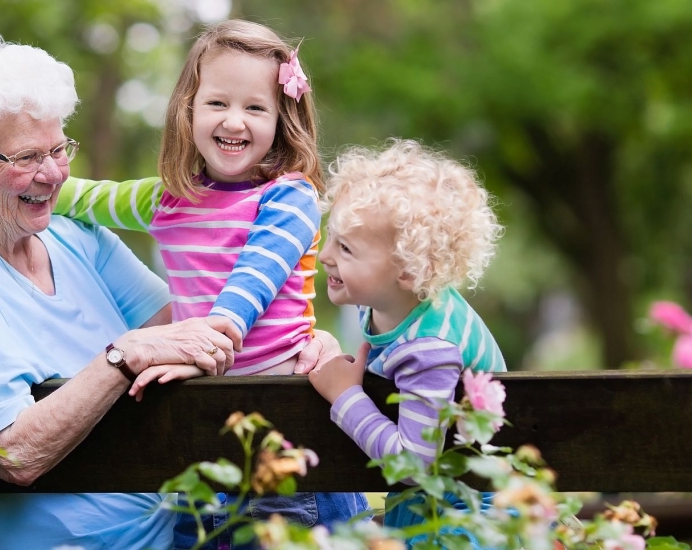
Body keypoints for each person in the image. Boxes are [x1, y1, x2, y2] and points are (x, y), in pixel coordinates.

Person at [0, 33, 248, 550]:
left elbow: (189, 326)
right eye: (25, 157)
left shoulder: (68, 232)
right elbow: (11, 454)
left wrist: (293, 344)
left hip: (184, 529)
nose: (52, 175)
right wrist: (122, 357)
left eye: (58, 148)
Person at [53, 19, 369, 550]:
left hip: (286, 440)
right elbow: (87, 198)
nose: (234, 121)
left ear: (281, 119)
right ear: (188, 111)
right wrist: (33, 185)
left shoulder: (289, 200)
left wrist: (202, 347)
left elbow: (247, 290)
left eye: (255, 108)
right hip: (204, 443)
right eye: (218, 103)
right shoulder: (168, 198)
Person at [308, 139, 506, 547]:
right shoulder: (393, 308)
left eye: (345, 247)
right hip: (439, 508)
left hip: (461, 523)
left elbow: (414, 466)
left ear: (410, 272)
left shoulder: (430, 346)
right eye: (331, 238)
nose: (326, 255)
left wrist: (345, 396)